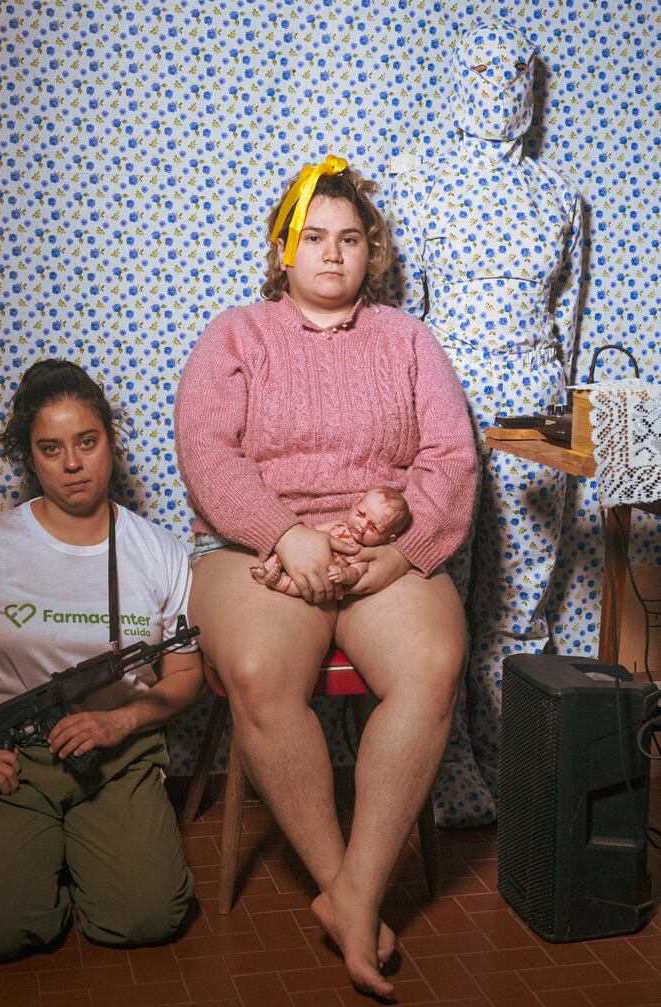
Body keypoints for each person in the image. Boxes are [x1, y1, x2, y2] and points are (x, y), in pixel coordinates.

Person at [174, 156, 477, 996]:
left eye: (349, 238)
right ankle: (340, 883)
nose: (332, 253)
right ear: (285, 249)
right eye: (313, 237)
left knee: (433, 664)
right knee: (259, 670)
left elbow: (451, 457)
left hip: (380, 548)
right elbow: (206, 451)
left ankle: (356, 893)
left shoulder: (409, 341)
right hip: (255, 545)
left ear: (371, 251)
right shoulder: (236, 335)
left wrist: (399, 556)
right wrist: (284, 532)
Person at [0, 360, 202, 959]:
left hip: (114, 753)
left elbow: (185, 674)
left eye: (87, 441)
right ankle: (29, 856)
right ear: (29, 457)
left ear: (111, 441)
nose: (73, 463)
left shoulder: (158, 551)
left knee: (146, 917)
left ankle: (83, 851)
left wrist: (122, 721)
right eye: (51, 448)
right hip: (7, 755)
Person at [390, 21, 583, 826]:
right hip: (446, 394)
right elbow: (402, 315)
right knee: (443, 575)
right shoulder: (416, 179)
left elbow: (570, 319)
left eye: (513, 72)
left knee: (524, 588)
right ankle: (446, 769)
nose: (499, 86)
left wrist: (565, 411)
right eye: (482, 70)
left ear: (531, 82)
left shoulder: (561, 193)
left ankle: (519, 765)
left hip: (535, 399)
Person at [250, 485, 410, 594]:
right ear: (355, 504)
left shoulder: (363, 553)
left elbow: (356, 572)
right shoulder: (337, 525)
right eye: (361, 514)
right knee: (282, 552)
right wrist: (302, 538)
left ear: (389, 539)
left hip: (321, 576)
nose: (362, 526)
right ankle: (268, 567)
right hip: (301, 551)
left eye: (373, 527)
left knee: (307, 588)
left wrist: (344, 574)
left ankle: (278, 582)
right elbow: (314, 530)